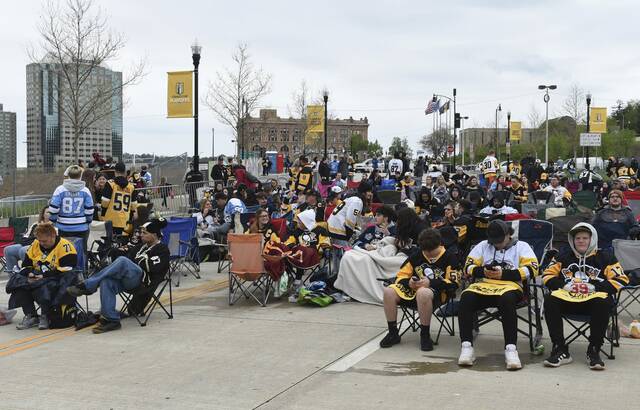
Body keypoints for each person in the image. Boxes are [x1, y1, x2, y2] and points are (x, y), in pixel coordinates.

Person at [542, 223, 628, 370]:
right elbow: (546, 276)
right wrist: (563, 285)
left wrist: (595, 287)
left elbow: (621, 280)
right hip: (568, 301)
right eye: (577, 238)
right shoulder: (562, 256)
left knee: (603, 301)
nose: (581, 241)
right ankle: (560, 349)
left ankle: (594, 350)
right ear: (572, 240)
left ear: (592, 239)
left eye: (585, 238)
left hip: (593, 304)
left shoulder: (606, 257)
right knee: (550, 300)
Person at [458, 220, 538, 370]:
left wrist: (505, 274)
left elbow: (533, 269)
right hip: (484, 286)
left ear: (508, 234)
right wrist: (482, 271)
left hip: (511, 286)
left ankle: (511, 349)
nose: (497, 244)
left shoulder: (522, 246)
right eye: (493, 242)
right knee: (466, 297)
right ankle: (466, 346)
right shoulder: (483, 245)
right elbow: (467, 266)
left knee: (506, 300)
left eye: (500, 241)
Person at [67, 218, 170, 333]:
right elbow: (132, 260)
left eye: (144, 233)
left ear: (154, 235)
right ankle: (111, 320)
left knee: (122, 261)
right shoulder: (140, 247)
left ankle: (88, 285)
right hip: (128, 280)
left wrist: (135, 262)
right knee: (106, 281)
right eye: (141, 232)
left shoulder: (162, 249)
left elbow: (151, 267)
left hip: (143, 283)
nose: (141, 235)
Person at [380, 229, 460, 351]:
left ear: (439, 244)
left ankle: (425, 335)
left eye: (431, 251)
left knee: (423, 292)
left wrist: (430, 283)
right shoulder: (417, 255)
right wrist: (409, 283)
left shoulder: (450, 257)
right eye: (425, 251)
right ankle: (393, 333)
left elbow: (454, 283)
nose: (427, 254)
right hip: (413, 292)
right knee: (389, 291)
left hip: (438, 294)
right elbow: (400, 276)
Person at [8, 223, 78, 330]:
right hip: (37, 276)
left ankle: (45, 316)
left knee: (43, 286)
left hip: (57, 278)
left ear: (53, 236)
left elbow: (67, 269)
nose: (41, 243)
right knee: (19, 284)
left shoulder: (65, 246)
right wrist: (30, 274)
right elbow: (26, 264)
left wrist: (44, 276)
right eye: (39, 240)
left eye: (44, 241)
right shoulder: (36, 244)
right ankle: (31, 315)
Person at [49, 165, 94, 241]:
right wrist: (88, 221)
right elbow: (89, 210)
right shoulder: (85, 190)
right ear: (81, 175)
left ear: (68, 175)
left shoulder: (60, 190)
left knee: (64, 251)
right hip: (81, 227)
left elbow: (53, 209)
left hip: (63, 227)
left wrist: (54, 221)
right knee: (81, 250)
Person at [3, 206, 50, 274]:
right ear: (43, 214)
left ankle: (28, 275)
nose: (50, 214)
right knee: (8, 250)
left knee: (24, 250)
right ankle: (14, 278)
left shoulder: (55, 225)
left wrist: (34, 242)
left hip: (43, 247)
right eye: (48, 212)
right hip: (29, 244)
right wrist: (32, 241)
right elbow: (25, 238)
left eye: (52, 212)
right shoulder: (36, 225)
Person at [101, 162, 137, 235]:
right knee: (123, 244)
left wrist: (103, 214)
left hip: (111, 219)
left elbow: (105, 202)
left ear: (115, 171)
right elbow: (133, 205)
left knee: (110, 243)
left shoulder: (111, 184)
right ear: (124, 172)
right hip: (125, 219)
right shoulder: (131, 187)